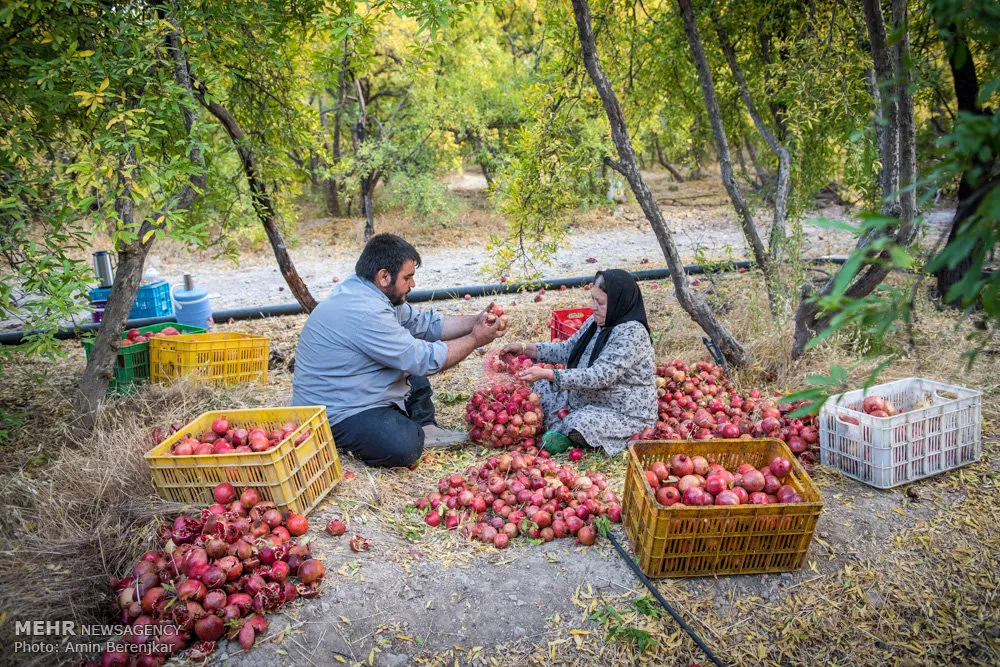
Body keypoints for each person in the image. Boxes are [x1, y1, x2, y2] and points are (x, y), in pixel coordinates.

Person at [292, 234, 505, 467]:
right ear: (384, 276)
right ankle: (403, 426)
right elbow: (424, 360)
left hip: (355, 386)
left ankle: (424, 425)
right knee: (403, 445)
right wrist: (475, 339)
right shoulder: (365, 311)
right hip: (336, 412)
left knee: (412, 368)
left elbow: (425, 324)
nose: (413, 284)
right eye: (408, 277)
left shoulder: (371, 292)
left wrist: (476, 321)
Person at [503, 269, 656, 456]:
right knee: (540, 387)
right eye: (593, 299)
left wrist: (551, 374)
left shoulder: (632, 333)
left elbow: (599, 376)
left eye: (600, 303)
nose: (593, 307)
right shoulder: (596, 322)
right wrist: (525, 348)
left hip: (621, 411)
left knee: (581, 424)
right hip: (585, 399)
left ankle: (567, 432)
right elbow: (568, 349)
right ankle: (562, 426)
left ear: (619, 303)